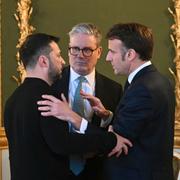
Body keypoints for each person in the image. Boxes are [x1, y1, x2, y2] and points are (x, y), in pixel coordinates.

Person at [38, 23, 175, 180]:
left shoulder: (131, 88)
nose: (79, 55)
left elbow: (116, 141)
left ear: (130, 54)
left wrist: (73, 117)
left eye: (111, 52)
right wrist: (108, 117)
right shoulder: (152, 81)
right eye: (74, 49)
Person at [4, 33, 132, 180]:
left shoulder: (12, 100)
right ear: (43, 61)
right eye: (58, 56)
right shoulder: (48, 98)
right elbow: (63, 143)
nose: (63, 60)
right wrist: (111, 140)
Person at [51, 23, 123, 180]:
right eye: (75, 49)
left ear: (99, 52)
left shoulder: (114, 89)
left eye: (87, 50)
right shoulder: (51, 84)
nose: (80, 55)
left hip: (99, 171)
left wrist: (106, 117)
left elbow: (118, 133)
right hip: (57, 168)